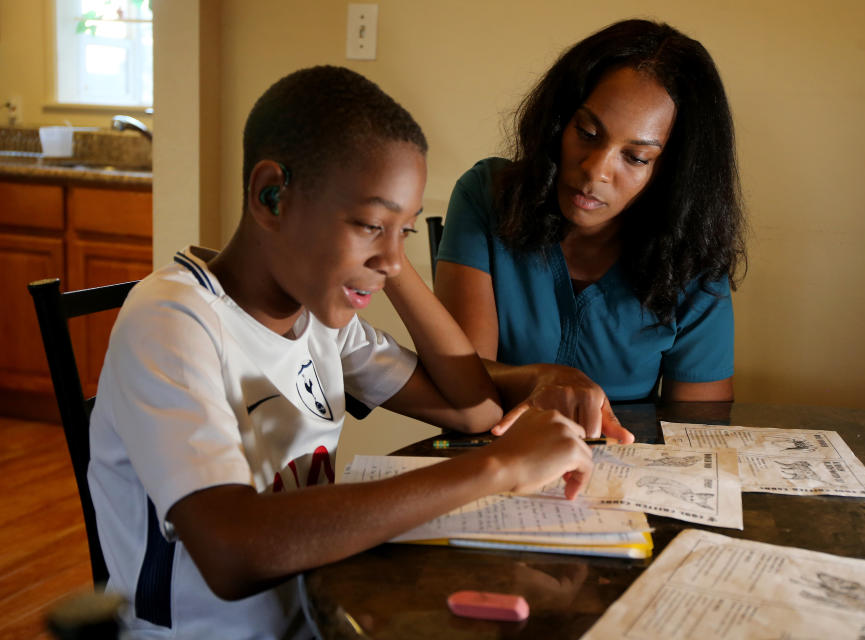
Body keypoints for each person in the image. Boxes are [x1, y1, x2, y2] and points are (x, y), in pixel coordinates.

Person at [87, 65, 596, 639]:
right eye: (369, 223)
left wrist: (388, 259)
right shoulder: (173, 318)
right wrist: (499, 466)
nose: (393, 258)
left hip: (316, 615)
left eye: (403, 230)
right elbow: (231, 553)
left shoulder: (322, 323)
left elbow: (472, 410)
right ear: (271, 195)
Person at [435, 19, 746, 411]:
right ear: (559, 121)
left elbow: (699, 429)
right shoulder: (487, 196)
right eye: (586, 132)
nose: (595, 170)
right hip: (498, 460)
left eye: (635, 157)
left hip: (631, 467)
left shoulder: (694, 258)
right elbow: (462, 382)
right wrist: (545, 382)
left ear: (673, 172)